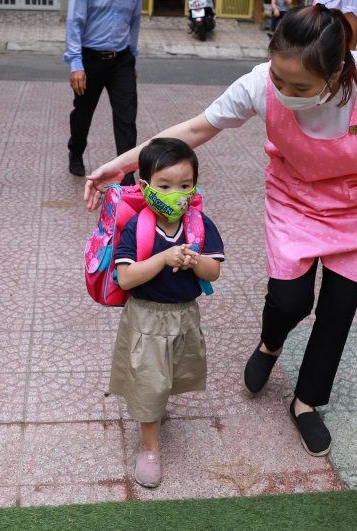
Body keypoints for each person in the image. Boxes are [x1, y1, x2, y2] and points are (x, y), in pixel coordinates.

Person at [85, 6, 357, 456]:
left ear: (337, 71)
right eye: (279, 81)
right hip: (294, 199)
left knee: (338, 308)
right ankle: (271, 343)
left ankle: (306, 403)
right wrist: (118, 164)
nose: (284, 93)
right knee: (291, 300)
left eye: (299, 87)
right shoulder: (260, 84)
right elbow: (195, 129)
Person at [110, 138, 224, 488]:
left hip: (183, 317)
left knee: (170, 373)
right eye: (165, 186)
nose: (176, 193)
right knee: (149, 382)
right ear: (144, 186)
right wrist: (162, 257)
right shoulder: (137, 228)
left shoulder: (199, 226)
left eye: (185, 186)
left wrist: (196, 260)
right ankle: (149, 448)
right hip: (145, 317)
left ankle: (157, 407)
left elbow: (214, 272)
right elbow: (126, 277)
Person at [64, 0, 144, 182]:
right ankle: (75, 151)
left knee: (126, 117)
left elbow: (134, 23)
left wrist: (132, 58)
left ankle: (128, 175)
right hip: (89, 59)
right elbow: (75, 24)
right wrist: (76, 64)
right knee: (83, 113)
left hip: (121, 60)